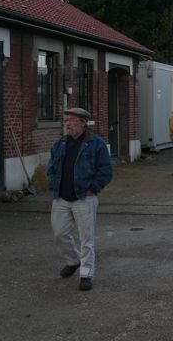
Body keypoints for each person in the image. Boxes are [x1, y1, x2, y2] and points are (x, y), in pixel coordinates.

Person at [46, 107, 113, 291]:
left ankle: (86, 273)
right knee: (60, 233)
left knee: (86, 237)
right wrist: (52, 182)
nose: (67, 123)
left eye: (72, 120)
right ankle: (73, 261)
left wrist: (94, 188)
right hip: (61, 197)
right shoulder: (60, 143)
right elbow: (51, 167)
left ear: (83, 123)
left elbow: (106, 170)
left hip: (84, 197)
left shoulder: (95, 144)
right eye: (66, 120)